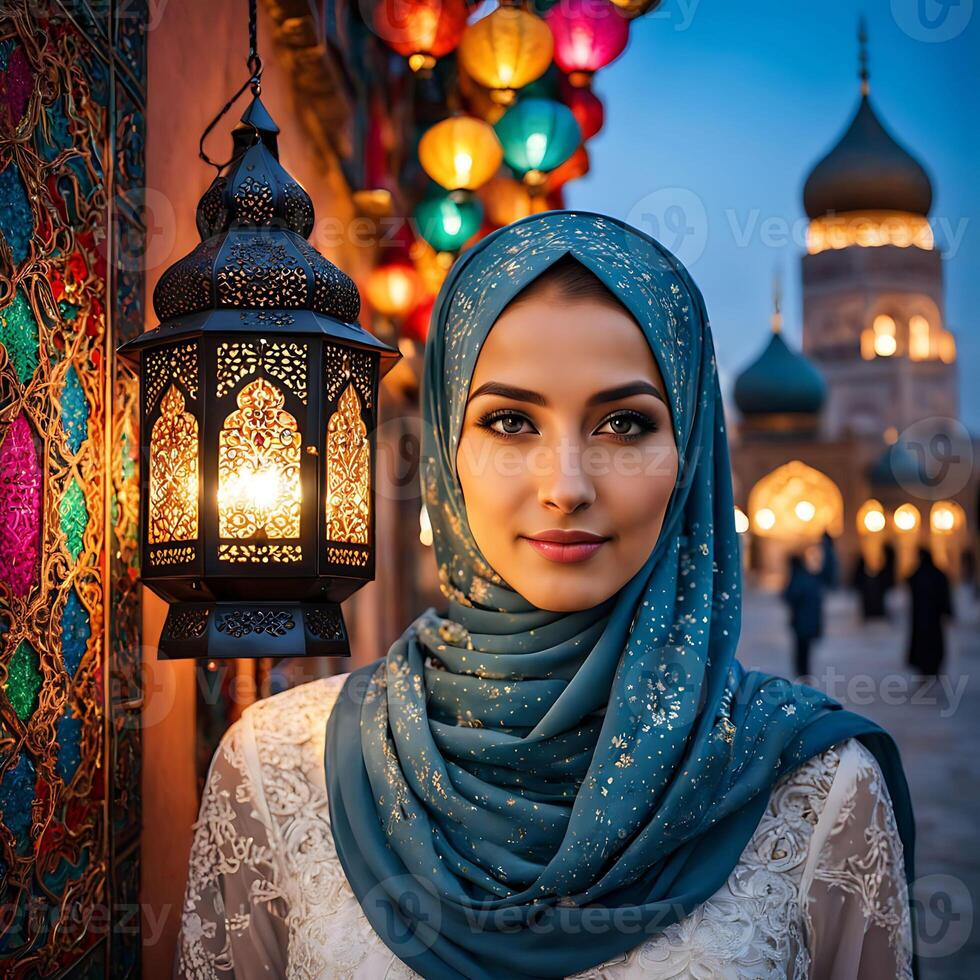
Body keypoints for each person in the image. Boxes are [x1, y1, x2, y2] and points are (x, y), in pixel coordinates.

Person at [175, 212, 916, 979]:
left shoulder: (816, 792)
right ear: (444, 446)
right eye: (509, 421)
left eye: (624, 424)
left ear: (691, 450)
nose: (566, 487)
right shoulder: (278, 769)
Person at [906, 546, 954, 678]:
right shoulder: (936, 574)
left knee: (927, 645)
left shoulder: (922, 574)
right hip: (930, 618)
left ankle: (929, 668)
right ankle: (929, 668)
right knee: (929, 645)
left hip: (926, 618)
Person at [782, 553, 823, 678]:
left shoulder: (798, 578)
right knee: (805, 650)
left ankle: (803, 675)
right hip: (809, 620)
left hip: (802, 621)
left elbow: (790, 595)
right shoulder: (809, 577)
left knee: (801, 650)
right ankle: (804, 674)